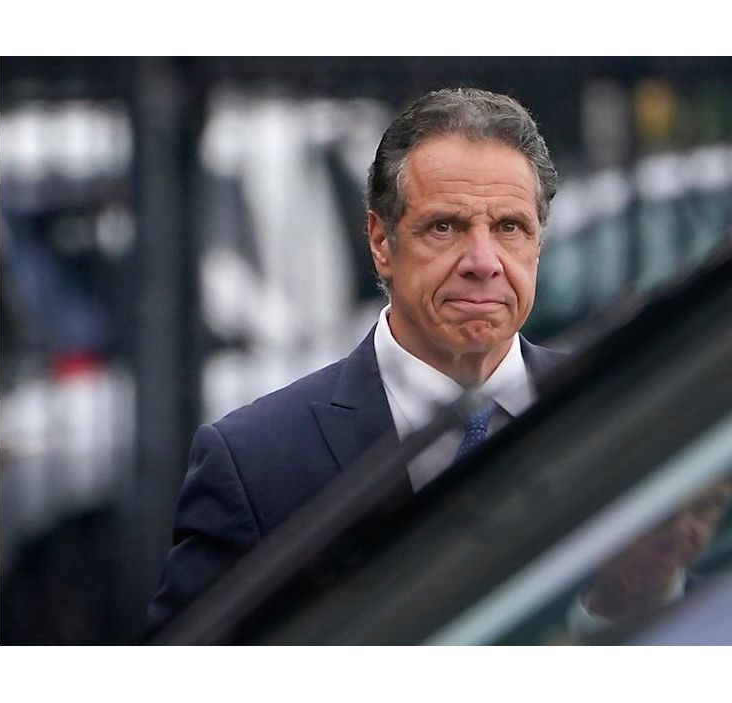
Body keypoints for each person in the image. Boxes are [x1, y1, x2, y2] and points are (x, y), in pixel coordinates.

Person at [145, 88, 563, 636]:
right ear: (381, 242)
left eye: (510, 227)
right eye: (445, 227)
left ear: (538, 242)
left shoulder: (618, 401)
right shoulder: (253, 463)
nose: (483, 262)